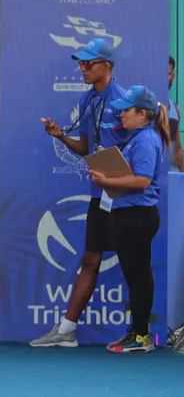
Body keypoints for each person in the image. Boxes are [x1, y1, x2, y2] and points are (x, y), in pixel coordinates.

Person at [30, 37, 130, 347]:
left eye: (89, 63)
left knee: (135, 264)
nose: (82, 68)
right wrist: (61, 136)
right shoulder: (89, 100)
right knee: (90, 258)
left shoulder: (124, 100)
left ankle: (142, 332)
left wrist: (121, 174)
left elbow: (140, 147)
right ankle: (66, 329)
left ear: (107, 66)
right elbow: (86, 147)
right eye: (81, 63)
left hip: (129, 196)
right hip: (100, 194)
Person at [89, 85, 167, 353]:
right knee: (136, 277)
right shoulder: (139, 138)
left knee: (139, 277)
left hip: (137, 216)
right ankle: (137, 333)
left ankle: (142, 337)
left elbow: (142, 180)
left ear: (143, 114)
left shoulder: (145, 140)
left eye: (127, 111)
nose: (121, 115)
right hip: (130, 214)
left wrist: (106, 179)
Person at [168, 57, 182, 170]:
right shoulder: (143, 105)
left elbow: (177, 149)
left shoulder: (175, 109)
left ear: (173, 76)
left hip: (170, 177)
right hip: (146, 178)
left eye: (169, 74)